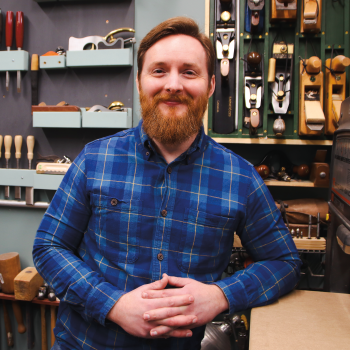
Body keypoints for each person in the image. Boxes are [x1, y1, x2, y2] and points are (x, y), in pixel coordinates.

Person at [33, 16, 301, 350]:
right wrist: (112, 304)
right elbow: (48, 247)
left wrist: (221, 295)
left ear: (212, 85)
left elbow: (284, 263)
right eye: (159, 70)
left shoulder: (241, 178)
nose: (173, 84)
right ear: (140, 81)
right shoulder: (94, 160)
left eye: (189, 72)